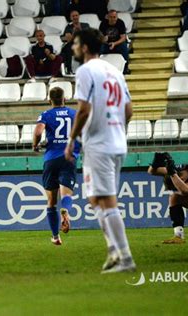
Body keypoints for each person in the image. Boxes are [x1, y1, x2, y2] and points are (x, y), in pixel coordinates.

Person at [64, 28, 135, 273]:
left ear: (84, 48)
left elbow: (83, 110)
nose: (73, 47)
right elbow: (129, 110)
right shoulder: (115, 70)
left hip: (99, 144)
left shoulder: (84, 71)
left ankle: (125, 257)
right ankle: (114, 252)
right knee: (95, 199)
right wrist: (117, 131)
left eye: (75, 44)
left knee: (107, 201)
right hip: (116, 141)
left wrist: (72, 139)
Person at [33, 87, 81, 246]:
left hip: (51, 159)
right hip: (69, 157)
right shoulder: (74, 113)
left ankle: (55, 237)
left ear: (49, 100)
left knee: (51, 201)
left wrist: (35, 144)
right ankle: (65, 211)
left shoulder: (46, 114)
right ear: (65, 99)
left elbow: (38, 131)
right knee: (66, 194)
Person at [99, 10, 130, 74]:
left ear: (117, 17)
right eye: (111, 17)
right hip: (107, 44)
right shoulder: (103, 24)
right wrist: (104, 40)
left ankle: (125, 67)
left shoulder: (120, 23)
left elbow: (123, 38)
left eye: (114, 17)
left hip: (118, 43)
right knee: (98, 48)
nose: (113, 19)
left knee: (124, 47)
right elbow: (100, 37)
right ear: (108, 17)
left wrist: (114, 43)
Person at [61, 10, 90, 75]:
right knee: (67, 48)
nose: (75, 17)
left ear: (79, 16)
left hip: (83, 43)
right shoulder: (68, 27)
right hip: (73, 44)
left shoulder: (85, 25)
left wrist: (80, 30)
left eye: (76, 15)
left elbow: (88, 37)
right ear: (71, 18)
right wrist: (74, 32)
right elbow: (69, 40)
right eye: (73, 16)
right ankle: (69, 70)